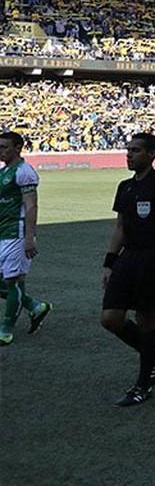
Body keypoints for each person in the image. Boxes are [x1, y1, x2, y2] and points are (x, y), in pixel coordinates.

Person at [100, 132, 155, 407]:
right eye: (128, 150)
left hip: (154, 257)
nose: (129, 154)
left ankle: (143, 383)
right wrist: (109, 263)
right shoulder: (124, 186)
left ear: (151, 154)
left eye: (135, 150)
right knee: (110, 318)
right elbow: (120, 228)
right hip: (128, 257)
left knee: (146, 317)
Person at [0, 131, 49, 346]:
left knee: (13, 281)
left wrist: (30, 237)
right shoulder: (4, 172)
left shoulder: (24, 171)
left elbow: (31, 205)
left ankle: (6, 330)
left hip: (16, 234)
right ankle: (35, 307)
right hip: (2, 232)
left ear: (18, 147)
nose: (1, 150)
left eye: (4, 147)